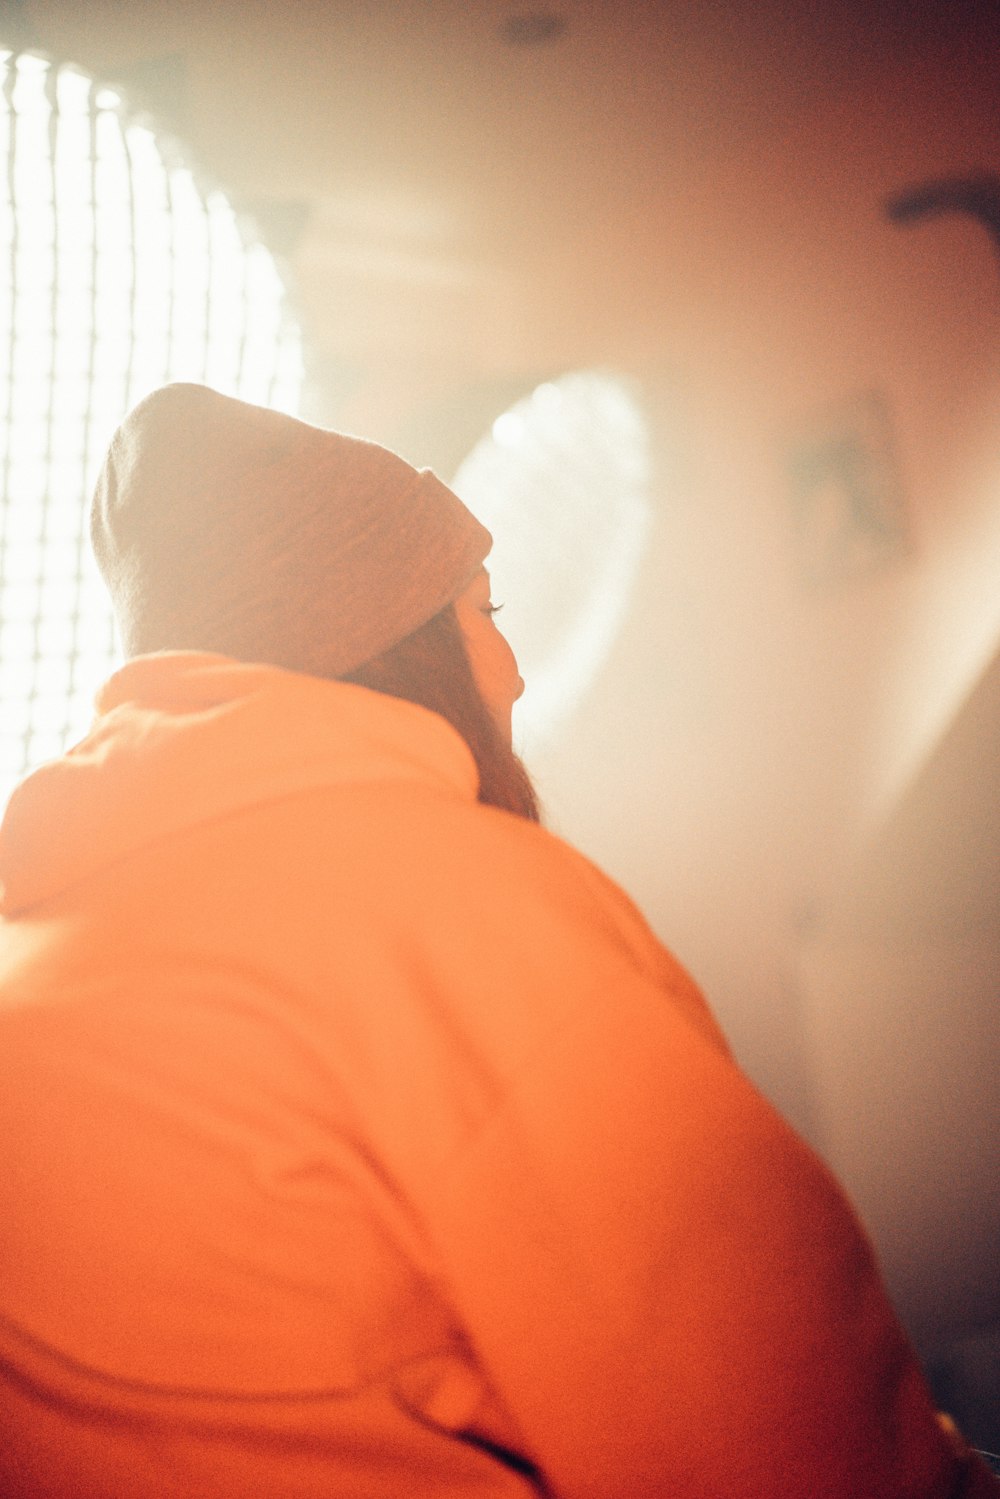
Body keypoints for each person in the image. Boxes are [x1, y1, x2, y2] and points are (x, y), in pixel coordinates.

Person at [0, 383, 993, 1499]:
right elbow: (804, 1448)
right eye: (485, 611)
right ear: (382, 638)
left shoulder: (31, 952)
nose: (514, 671)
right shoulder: (457, 909)